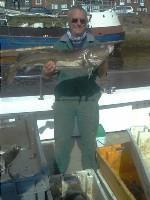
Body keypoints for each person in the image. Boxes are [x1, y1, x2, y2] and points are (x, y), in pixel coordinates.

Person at [43, 6, 107, 173]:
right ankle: (59, 178)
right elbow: (47, 76)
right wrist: (46, 72)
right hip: (64, 100)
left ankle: (91, 177)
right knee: (62, 142)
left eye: (82, 20)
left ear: (86, 22)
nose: (78, 23)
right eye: (74, 20)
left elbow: (103, 75)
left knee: (89, 142)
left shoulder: (96, 45)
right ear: (68, 22)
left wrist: (103, 61)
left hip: (89, 99)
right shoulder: (58, 46)